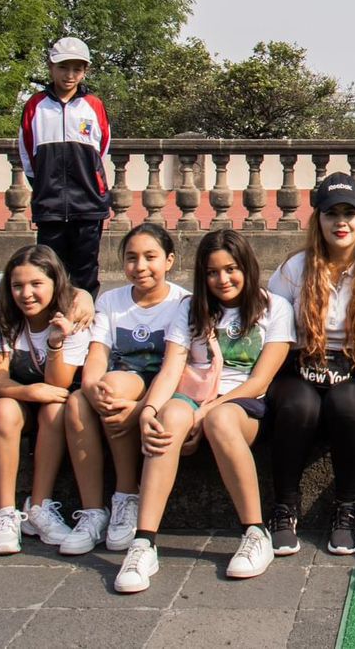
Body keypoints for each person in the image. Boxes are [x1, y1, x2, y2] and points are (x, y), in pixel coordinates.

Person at [115, 229, 295, 592]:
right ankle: (144, 542)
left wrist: (204, 411)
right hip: (192, 395)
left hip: (242, 404)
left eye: (231, 269)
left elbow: (259, 382)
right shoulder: (190, 308)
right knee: (169, 418)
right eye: (212, 272)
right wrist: (149, 408)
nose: (222, 279)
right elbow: (171, 368)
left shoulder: (274, 307)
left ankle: (255, 532)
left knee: (219, 419)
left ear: (246, 266)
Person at [265, 173, 355, 556]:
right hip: (302, 367)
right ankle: (284, 507)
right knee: (300, 405)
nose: (341, 222)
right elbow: (269, 324)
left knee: (346, 404)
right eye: (331, 214)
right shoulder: (295, 270)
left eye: (349, 213)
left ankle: (346, 509)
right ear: (319, 220)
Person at [63, 223, 190, 556]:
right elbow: (97, 357)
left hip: (163, 385)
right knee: (79, 401)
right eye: (131, 258)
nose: (140, 266)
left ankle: (126, 493)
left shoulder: (183, 302)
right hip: (122, 381)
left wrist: (138, 410)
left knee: (115, 391)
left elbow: (176, 367)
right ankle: (94, 511)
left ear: (169, 260)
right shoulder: (111, 301)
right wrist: (93, 391)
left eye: (151, 257)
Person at [0, 245, 89, 555]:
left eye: (36, 284)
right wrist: (29, 392)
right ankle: (5, 512)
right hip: (17, 398)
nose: (26, 294)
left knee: (55, 409)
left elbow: (59, 384)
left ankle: (38, 506)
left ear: (55, 283)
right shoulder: (0, 314)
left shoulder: (72, 316)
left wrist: (55, 343)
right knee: (3, 409)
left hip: (54, 400)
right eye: (18, 285)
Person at [18, 36, 111, 296]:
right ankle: (49, 327)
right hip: (50, 205)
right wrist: (44, 187)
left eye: (77, 68)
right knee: (48, 271)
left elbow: (102, 148)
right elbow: (27, 153)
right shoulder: (35, 106)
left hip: (88, 204)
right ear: (51, 67)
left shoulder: (93, 105)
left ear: (85, 71)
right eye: (63, 67)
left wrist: (90, 182)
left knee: (85, 271)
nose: (70, 75)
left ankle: (84, 325)